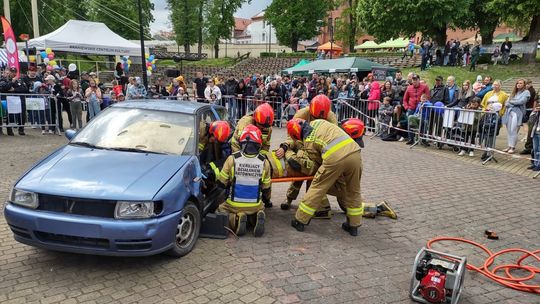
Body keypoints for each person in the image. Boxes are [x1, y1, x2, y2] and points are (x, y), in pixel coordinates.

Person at [285, 119, 364, 236]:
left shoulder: (309, 141)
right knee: (353, 190)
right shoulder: (319, 122)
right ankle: (353, 226)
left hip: (335, 157)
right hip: (355, 152)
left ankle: (300, 220)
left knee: (317, 186)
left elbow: (315, 163)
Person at [276, 95, 337, 212]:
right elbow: (292, 136)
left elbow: (333, 138)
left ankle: (314, 205)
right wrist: (284, 147)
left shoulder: (331, 117)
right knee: (299, 174)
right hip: (302, 146)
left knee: (315, 178)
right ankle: (289, 198)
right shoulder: (301, 114)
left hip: (320, 151)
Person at [217, 124, 271, 237]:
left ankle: (236, 219)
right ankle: (256, 216)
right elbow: (266, 189)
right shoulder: (264, 162)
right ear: (259, 144)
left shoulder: (232, 159)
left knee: (220, 210)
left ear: (242, 143)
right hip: (256, 205)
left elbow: (222, 183)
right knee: (258, 207)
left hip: (234, 204)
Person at [502, 79, 530, 154]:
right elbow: (506, 103)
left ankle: (512, 147)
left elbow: (521, 101)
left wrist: (511, 102)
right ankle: (509, 146)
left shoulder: (526, 92)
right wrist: (511, 102)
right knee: (509, 131)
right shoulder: (514, 92)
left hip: (518, 113)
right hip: (509, 112)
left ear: (524, 85)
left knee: (514, 130)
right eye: (518, 83)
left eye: (521, 83)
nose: (519, 84)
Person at [0, 68, 28, 136]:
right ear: (9, 72)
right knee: (10, 116)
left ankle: (21, 129)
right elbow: (4, 88)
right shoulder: (4, 80)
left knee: (22, 115)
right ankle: (9, 130)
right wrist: (12, 82)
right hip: (9, 100)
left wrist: (14, 89)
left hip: (19, 100)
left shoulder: (20, 80)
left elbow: (25, 89)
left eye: (15, 72)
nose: (13, 73)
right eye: (12, 72)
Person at [520, 80, 537, 155]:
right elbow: (536, 100)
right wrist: (534, 110)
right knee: (530, 128)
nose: (526, 85)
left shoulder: (531, 90)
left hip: (530, 109)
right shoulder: (534, 91)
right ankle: (529, 147)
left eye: (528, 84)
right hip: (534, 112)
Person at [527, 104, 540, 171]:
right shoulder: (536, 111)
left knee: (539, 149)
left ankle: (539, 165)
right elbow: (530, 120)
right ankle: (535, 163)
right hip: (535, 131)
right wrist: (535, 111)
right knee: (535, 148)